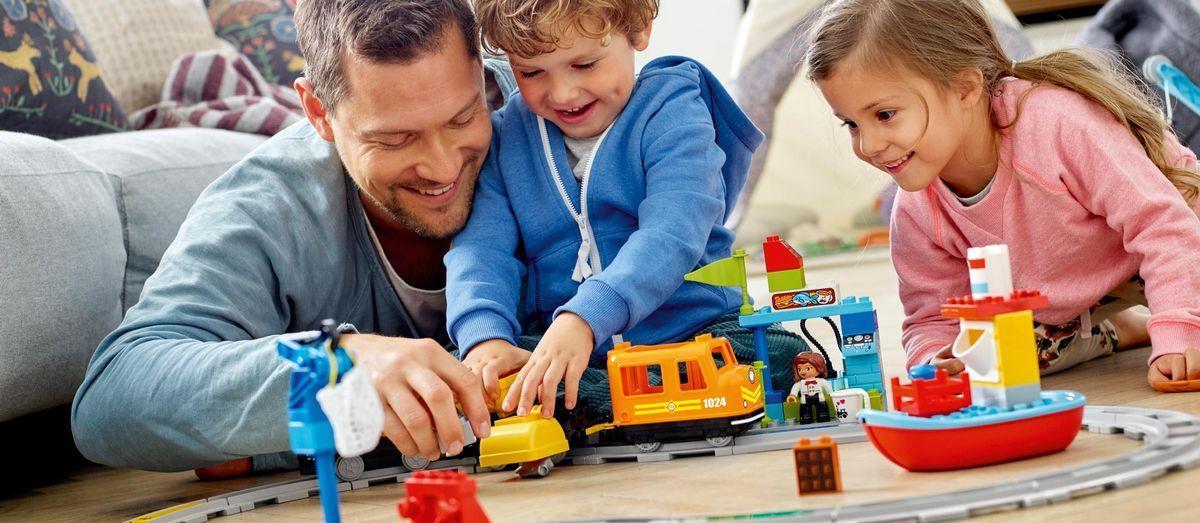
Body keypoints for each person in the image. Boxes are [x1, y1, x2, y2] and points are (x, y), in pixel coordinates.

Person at [70, 0, 516, 472]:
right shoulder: (268, 204)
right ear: (317, 111)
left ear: (483, 77)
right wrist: (332, 371)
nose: (442, 166)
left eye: (462, 118)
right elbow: (111, 397)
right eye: (394, 140)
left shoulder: (559, 111)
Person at [805, 0, 1200, 389]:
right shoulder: (917, 206)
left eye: (884, 115)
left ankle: (1160, 315)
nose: (868, 145)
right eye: (851, 124)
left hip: (1177, 242)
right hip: (1068, 291)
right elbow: (931, 317)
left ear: (965, 88)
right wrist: (936, 359)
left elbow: (1163, 226)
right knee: (990, 362)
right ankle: (1117, 330)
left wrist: (1179, 331)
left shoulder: (1055, 122)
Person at [446, 0, 809, 419]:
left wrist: (585, 317)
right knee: (463, 368)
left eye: (584, 65)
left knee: (782, 356)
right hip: (563, 347)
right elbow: (480, 251)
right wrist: (483, 339)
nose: (563, 93)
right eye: (531, 73)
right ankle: (592, 403)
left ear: (637, 30)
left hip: (695, 331)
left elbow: (672, 233)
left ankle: (593, 408)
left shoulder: (674, 108)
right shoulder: (506, 137)